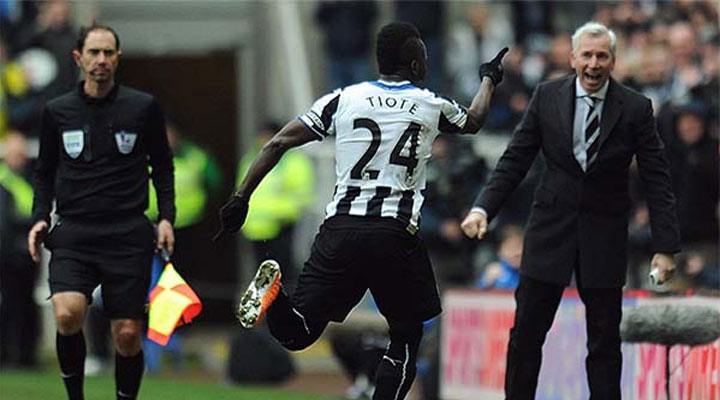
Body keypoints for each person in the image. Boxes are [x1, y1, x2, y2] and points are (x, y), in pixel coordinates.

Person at [215, 22, 506, 400]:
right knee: (406, 337)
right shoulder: (430, 104)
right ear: (417, 64)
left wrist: (241, 197)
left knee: (297, 332)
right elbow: (475, 119)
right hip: (393, 233)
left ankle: (275, 295)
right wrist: (488, 79)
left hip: (340, 230)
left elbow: (278, 142)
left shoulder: (341, 99)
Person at [460, 21, 680, 399]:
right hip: (549, 231)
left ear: (613, 60)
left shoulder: (635, 108)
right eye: (587, 55)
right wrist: (482, 209)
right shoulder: (546, 97)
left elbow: (657, 178)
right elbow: (515, 160)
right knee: (526, 336)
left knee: (604, 344)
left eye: (602, 56)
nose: (594, 64)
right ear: (572, 58)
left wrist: (665, 246)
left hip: (605, 235)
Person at [28, 24, 175, 400]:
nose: (101, 60)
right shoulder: (57, 111)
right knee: (67, 313)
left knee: (126, 334)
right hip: (75, 232)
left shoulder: (142, 107)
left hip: (127, 234)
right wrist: (40, 216)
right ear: (78, 58)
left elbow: (162, 166)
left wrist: (166, 218)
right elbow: (43, 172)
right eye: (94, 53)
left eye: (108, 53)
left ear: (118, 58)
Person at [237, 121, 314, 291]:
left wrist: (282, 215)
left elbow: (300, 197)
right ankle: (265, 314)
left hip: (281, 227)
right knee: (261, 278)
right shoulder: (251, 159)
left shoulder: (294, 162)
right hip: (255, 230)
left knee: (283, 274)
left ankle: (285, 311)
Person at [0, 131, 39, 368]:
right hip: (9, 253)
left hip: (26, 252)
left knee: (25, 305)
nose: (20, 157)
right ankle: (8, 354)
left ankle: (25, 355)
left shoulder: (27, 179)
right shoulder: (5, 180)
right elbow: (6, 220)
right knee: (10, 305)